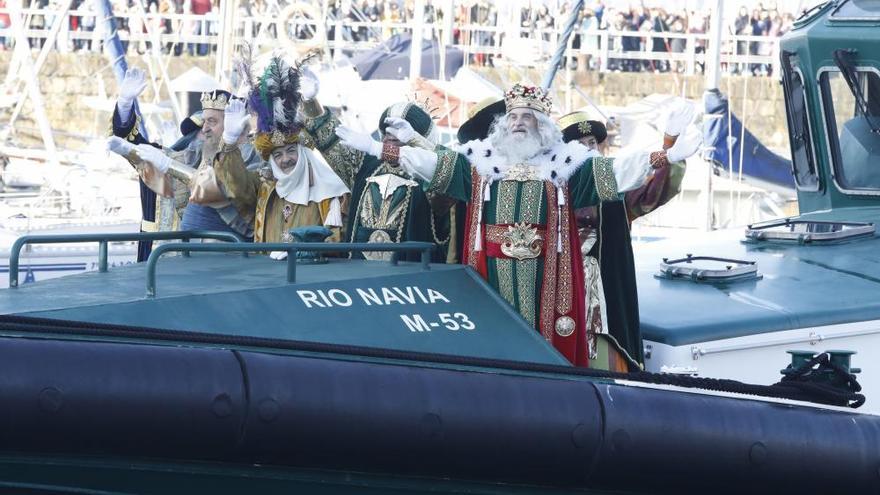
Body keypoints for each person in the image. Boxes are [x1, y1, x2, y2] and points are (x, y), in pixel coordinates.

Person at [394, 83, 700, 367]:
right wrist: (404, 143)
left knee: (581, 356)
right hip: (497, 278)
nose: (518, 122)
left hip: (569, 283)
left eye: (528, 115)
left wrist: (669, 151)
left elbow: (630, 175)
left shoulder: (575, 170)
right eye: (513, 116)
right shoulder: (486, 167)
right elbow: (443, 165)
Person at [556, 105, 692, 370]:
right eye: (579, 144)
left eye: (592, 142)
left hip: (610, 285)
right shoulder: (553, 190)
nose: (588, 149)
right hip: (567, 286)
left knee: (612, 355)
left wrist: (670, 145)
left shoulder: (618, 186)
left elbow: (654, 190)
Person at [298, 70, 468, 263]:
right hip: (360, 272)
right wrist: (311, 102)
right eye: (387, 132)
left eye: (399, 133)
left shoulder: (429, 172)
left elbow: (450, 171)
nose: (391, 137)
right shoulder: (364, 165)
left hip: (412, 278)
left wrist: (416, 143)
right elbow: (332, 140)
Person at [106, 67, 261, 245]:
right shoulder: (199, 151)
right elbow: (157, 157)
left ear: (234, 123)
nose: (204, 129)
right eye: (204, 121)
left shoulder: (252, 155)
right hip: (185, 255)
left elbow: (229, 191)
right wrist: (125, 107)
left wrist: (169, 165)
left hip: (226, 259)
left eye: (212, 121)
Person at [211, 58, 349, 254]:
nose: (285, 159)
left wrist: (298, 254)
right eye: (277, 155)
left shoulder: (329, 193)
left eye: (291, 151)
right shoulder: (266, 188)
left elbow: (335, 246)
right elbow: (236, 187)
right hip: (268, 279)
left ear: (302, 152)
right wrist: (229, 141)